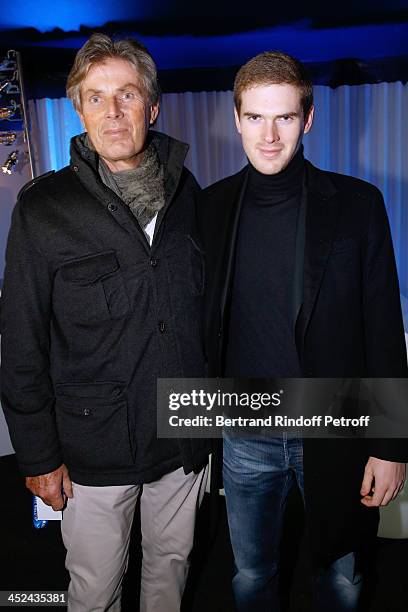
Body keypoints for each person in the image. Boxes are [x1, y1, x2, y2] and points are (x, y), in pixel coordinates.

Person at [1, 34, 209, 612]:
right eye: (96, 98)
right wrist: (38, 457)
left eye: (127, 95)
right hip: (94, 445)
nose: (113, 113)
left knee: (171, 573)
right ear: (78, 109)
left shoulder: (191, 196)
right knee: (94, 591)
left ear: (153, 106)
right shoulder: (43, 209)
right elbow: (22, 342)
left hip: (183, 437)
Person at [198, 51, 407, 611]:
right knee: (250, 576)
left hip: (335, 426)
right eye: (256, 118)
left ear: (307, 120)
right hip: (245, 431)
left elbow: (384, 328)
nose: (269, 136)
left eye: (285, 118)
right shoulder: (208, 209)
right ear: (236, 118)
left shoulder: (359, 205)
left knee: (340, 580)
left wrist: (391, 446)